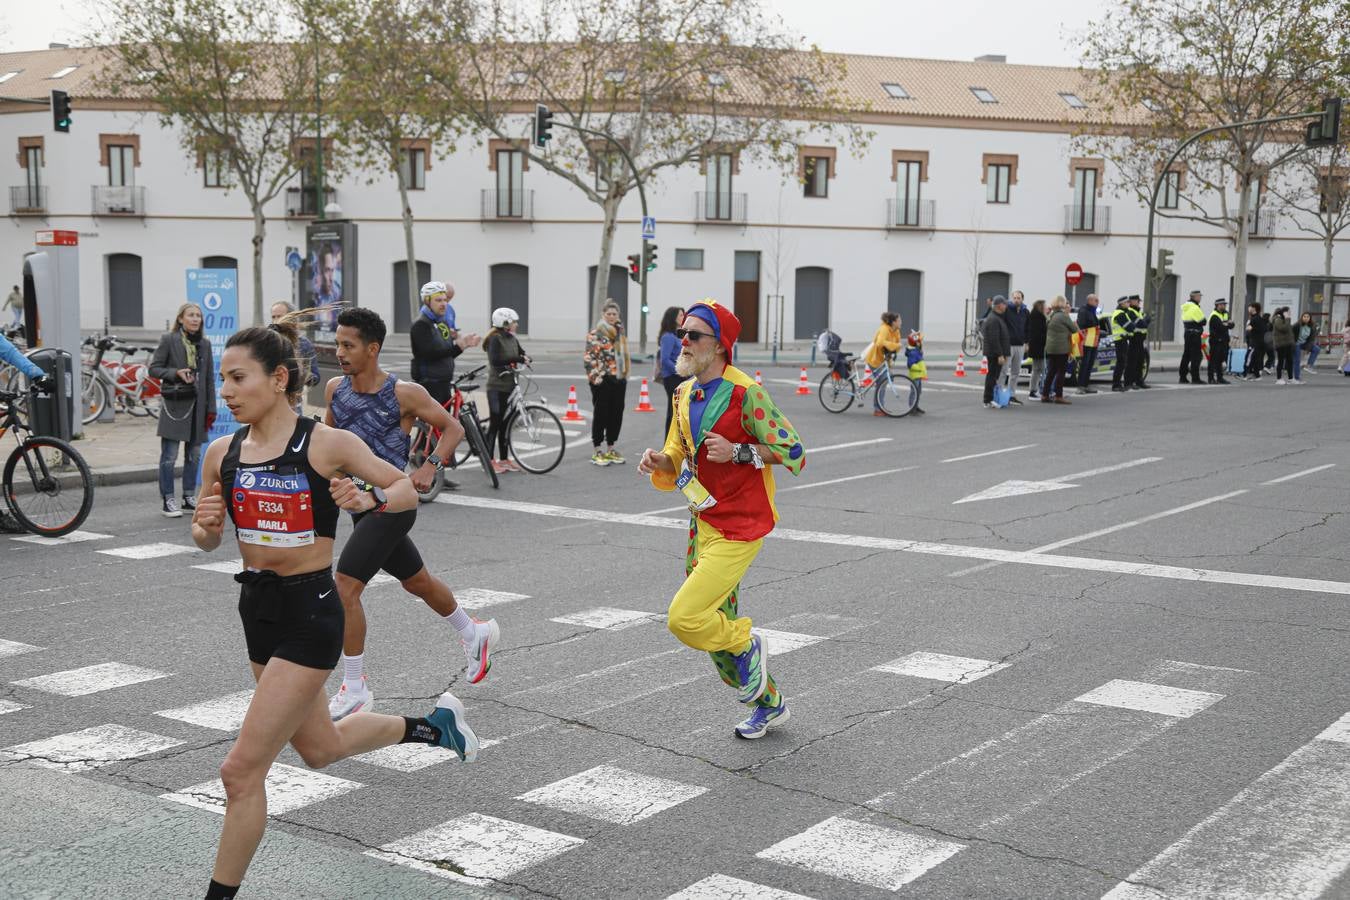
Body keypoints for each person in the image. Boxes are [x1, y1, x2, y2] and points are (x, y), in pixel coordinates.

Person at [189, 316, 479, 900]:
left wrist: (367, 496)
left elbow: (402, 490)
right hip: (257, 610)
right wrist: (204, 526)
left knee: (240, 773)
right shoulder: (222, 452)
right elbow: (205, 537)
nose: (225, 391)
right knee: (319, 748)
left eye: (237, 377)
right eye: (222, 378)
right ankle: (432, 727)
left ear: (277, 380)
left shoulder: (325, 444)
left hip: (310, 614)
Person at [637, 299, 805, 740]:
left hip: (740, 526)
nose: (684, 342)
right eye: (682, 334)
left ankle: (749, 642)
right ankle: (769, 703)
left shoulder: (746, 393)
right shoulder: (683, 392)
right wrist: (660, 460)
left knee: (685, 617)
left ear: (720, 345)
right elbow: (678, 452)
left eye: (694, 336)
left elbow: (793, 451)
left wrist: (739, 451)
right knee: (717, 639)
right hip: (702, 524)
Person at [324, 307, 499, 720]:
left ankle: (355, 687)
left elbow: (452, 427)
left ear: (372, 348)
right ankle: (473, 632)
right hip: (359, 507)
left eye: (348, 345)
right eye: (338, 344)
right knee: (416, 581)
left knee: (345, 587)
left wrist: (429, 466)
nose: (340, 352)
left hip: (392, 504)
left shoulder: (403, 393)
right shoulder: (335, 389)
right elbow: (328, 442)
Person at [149, 302, 215, 518]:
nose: (195, 319)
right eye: (191, 315)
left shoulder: (204, 344)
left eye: (198, 315)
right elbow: (154, 368)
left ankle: (188, 496)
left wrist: (211, 409)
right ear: (180, 319)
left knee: (194, 456)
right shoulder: (169, 340)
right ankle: (168, 498)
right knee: (169, 456)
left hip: (198, 407)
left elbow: (209, 379)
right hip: (175, 406)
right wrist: (176, 372)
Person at [409, 281, 481, 408]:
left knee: (445, 425)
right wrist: (458, 346)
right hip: (430, 384)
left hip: (444, 382)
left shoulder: (441, 322)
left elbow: (447, 354)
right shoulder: (421, 324)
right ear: (427, 301)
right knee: (438, 425)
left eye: (445, 300)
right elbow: (429, 355)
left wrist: (463, 345)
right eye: (438, 300)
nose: (444, 304)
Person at [583, 299, 630, 465]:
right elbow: (589, 359)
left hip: (619, 378)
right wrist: (597, 379)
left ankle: (611, 448)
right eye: (608, 314)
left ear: (618, 316)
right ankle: (597, 449)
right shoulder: (595, 334)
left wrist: (624, 376)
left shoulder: (620, 333)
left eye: (614, 314)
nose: (611, 316)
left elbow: (623, 357)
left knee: (616, 414)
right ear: (603, 315)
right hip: (602, 379)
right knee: (601, 414)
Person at [483, 307, 529, 474]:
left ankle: (504, 459)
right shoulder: (495, 339)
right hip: (496, 387)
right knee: (495, 423)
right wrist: (517, 358)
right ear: (505, 323)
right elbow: (496, 360)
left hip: (510, 386)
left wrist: (526, 358)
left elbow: (521, 353)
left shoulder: (512, 338)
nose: (516, 325)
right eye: (513, 322)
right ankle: (489, 461)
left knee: (506, 424)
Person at [271, 301, 320, 413]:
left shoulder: (304, 344)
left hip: (292, 406)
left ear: (291, 317)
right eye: (273, 317)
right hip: (268, 404)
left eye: (279, 316)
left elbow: (315, 378)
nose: (276, 320)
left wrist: (301, 373)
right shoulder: (266, 341)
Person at [863, 311, 904, 417]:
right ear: (893, 322)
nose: (901, 322)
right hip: (875, 359)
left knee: (884, 381)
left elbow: (896, 347)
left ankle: (879, 406)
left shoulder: (897, 331)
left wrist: (895, 346)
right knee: (882, 381)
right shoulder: (884, 329)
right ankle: (878, 409)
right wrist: (895, 345)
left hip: (885, 360)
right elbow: (880, 343)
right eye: (899, 320)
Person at [1042, 295, 1079, 405]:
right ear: (1062, 304)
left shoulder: (1051, 315)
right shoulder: (1063, 316)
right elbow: (1074, 329)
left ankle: (1045, 394)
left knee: (1051, 372)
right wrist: (1074, 325)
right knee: (1061, 372)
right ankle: (1059, 396)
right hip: (1061, 348)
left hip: (1051, 348)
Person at [657, 307, 685, 435]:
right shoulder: (668, 336)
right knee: (673, 411)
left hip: (681, 376)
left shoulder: (679, 334)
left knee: (679, 411)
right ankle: (668, 444)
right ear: (673, 317)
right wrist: (680, 370)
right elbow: (665, 360)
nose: (683, 317)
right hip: (672, 378)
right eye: (680, 315)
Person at [980, 295, 1010, 408]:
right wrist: (1000, 354)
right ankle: (988, 400)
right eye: (1004, 304)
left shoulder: (997, 317)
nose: (1006, 306)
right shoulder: (993, 319)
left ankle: (991, 398)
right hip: (994, 354)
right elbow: (994, 338)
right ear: (999, 305)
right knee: (992, 376)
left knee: (994, 376)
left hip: (996, 353)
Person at [998, 291, 1028, 405]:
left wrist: (1027, 342)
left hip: (1020, 345)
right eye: (1014, 298)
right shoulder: (1007, 310)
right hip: (1008, 345)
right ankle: (999, 394)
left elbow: (1027, 328)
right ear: (1012, 299)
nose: (1016, 300)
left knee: (1015, 372)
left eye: (1018, 298)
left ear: (1022, 299)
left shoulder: (1025, 311)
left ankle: (1011, 395)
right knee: (1004, 370)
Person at [1074, 293, 1102, 394]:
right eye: (1096, 300)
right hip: (1086, 342)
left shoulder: (1092, 311)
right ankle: (1080, 386)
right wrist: (1094, 328)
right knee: (1084, 364)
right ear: (1090, 301)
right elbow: (1082, 326)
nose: (1097, 302)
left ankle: (1085, 385)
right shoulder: (1083, 311)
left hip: (1093, 341)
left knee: (1090, 364)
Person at [1179, 290, 1206, 384]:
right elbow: (1203, 321)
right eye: (1199, 296)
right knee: (1196, 356)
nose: (1200, 298)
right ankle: (1195, 378)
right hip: (1195, 335)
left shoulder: (1186, 307)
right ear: (1194, 297)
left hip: (1187, 333)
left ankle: (1182, 377)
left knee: (1186, 355)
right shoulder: (1194, 308)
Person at [1207, 298, 1235, 384]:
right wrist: (1226, 324)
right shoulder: (1214, 315)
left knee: (1220, 361)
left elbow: (1232, 325)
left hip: (1224, 340)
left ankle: (1220, 378)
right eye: (1222, 304)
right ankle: (1211, 378)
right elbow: (1220, 328)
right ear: (1218, 305)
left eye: (1225, 304)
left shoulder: (1226, 313)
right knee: (1213, 360)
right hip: (1216, 341)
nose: (1224, 306)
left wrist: (1226, 324)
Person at [1109, 296, 1134, 392]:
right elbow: (1130, 327)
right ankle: (1116, 385)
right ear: (1122, 304)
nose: (1129, 304)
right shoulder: (1120, 314)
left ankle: (1118, 384)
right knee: (1121, 363)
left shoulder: (1122, 313)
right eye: (1127, 302)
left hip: (1122, 340)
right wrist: (1132, 325)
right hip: (1120, 340)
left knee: (1122, 363)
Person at [1126, 295, 1151, 389]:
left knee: (1140, 361)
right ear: (1132, 301)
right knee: (1132, 362)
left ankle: (1139, 381)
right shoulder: (1130, 312)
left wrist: (1145, 321)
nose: (1139, 302)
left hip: (1140, 340)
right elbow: (1142, 324)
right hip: (1134, 339)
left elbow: (1144, 323)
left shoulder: (1138, 311)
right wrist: (1146, 320)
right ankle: (1129, 382)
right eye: (1137, 301)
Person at [1027, 299, 1048, 399]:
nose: (1046, 308)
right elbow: (1040, 333)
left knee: (1038, 369)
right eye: (1044, 306)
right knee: (1038, 369)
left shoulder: (1035, 316)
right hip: (1038, 347)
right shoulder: (1038, 318)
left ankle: (1035, 389)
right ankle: (1033, 390)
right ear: (1040, 307)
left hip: (1036, 347)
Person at [1271, 307, 1295, 384]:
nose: (1290, 313)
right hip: (1281, 344)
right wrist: (1288, 319)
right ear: (1284, 313)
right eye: (1288, 312)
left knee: (1290, 361)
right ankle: (1279, 378)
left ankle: (1291, 378)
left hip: (1288, 343)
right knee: (1281, 361)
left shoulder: (1284, 319)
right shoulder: (1278, 319)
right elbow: (1283, 328)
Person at [1243, 302, 1266, 379]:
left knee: (1248, 358)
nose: (1249, 308)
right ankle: (1257, 375)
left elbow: (1261, 329)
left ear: (1254, 308)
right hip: (1254, 341)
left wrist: (1251, 328)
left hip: (1255, 342)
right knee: (1255, 358)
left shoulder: (1256, 318)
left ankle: (1245, 374)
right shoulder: (1254, 318)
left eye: (1250, 307)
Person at [1294, 311, 1320, 377]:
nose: (1306, 318)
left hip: (1304, 343)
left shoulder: (1312, 326)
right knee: (1297, 361)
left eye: (1307, 317)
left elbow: (1311, 339)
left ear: (1310, 318)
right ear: (1302, 317)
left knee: (1316, 349)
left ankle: (1309, 366)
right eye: (1304, 317)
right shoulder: (1297, 325)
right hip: (1296, 343)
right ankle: (1296, 378)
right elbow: (1291, 335)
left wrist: (1307, 350)